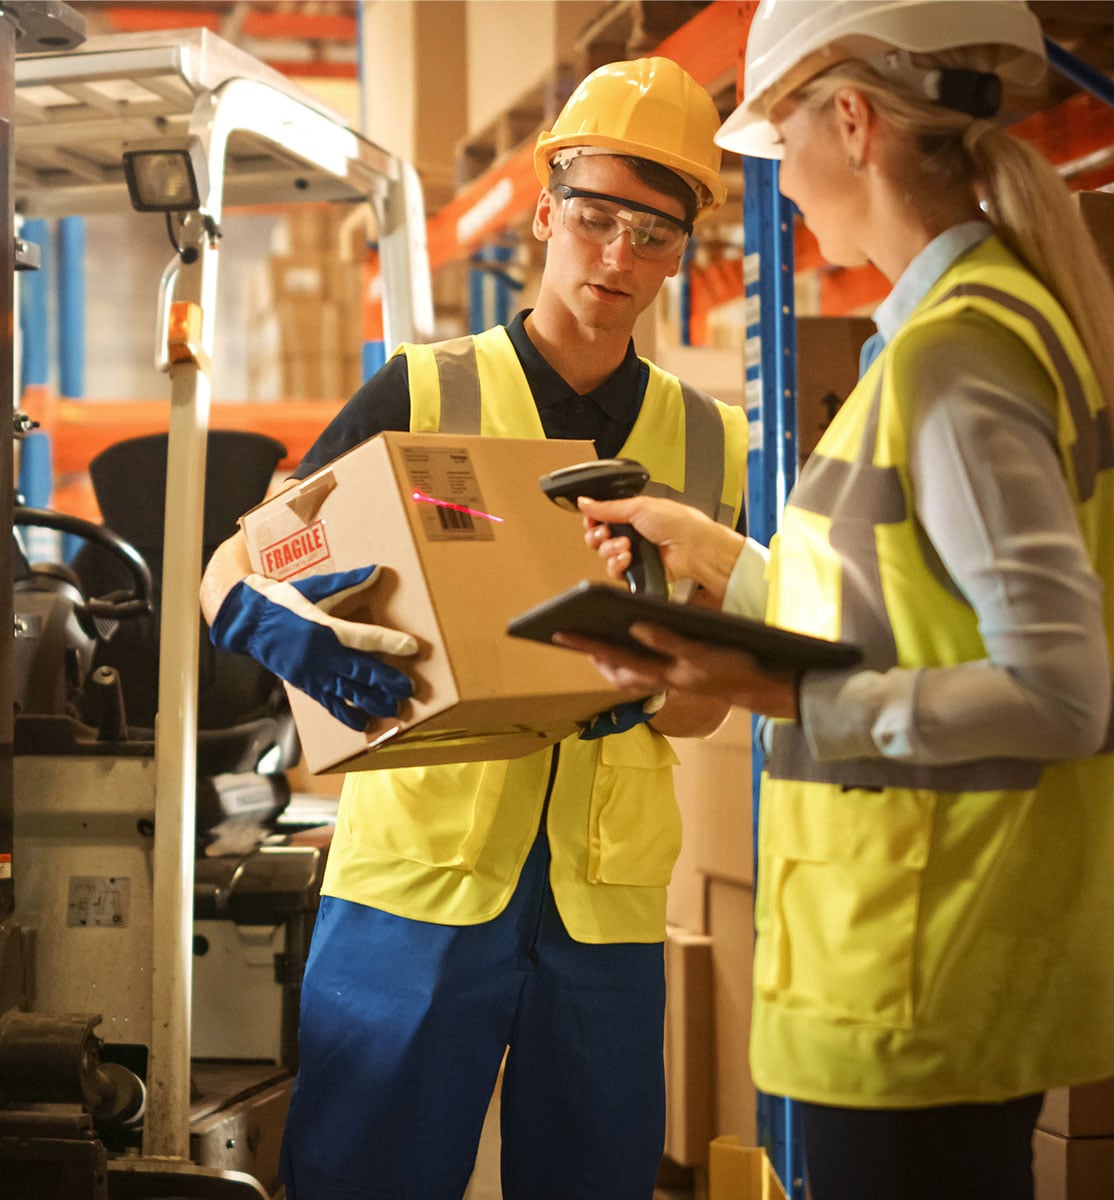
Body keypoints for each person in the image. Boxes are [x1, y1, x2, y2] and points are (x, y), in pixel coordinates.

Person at [559, 4, 1114, 1199]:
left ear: (853, 123)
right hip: (913, 952)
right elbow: (895, 611)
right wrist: (706, 549)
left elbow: (1059, 693)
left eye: (782, 136)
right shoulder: (959, 335)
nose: (788, 185)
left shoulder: (956, 357)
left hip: (922, 966)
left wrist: (777, 688)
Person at [199, 57, 749, 1200]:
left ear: (683, 250)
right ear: (546, 210)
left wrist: (650, 679)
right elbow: (232, 564)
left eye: (654, 236)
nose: (617, 259)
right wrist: (281, 627)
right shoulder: (423, 390)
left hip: (603, 903)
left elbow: (702, 711)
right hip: (416, 891)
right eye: (595, 218)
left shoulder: (709, 444)